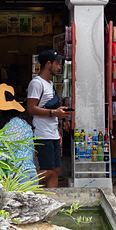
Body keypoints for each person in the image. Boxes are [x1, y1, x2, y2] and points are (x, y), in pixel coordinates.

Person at [26, 49, 71, 188]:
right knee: (48, 170)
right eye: (57, 64)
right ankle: (19, 187)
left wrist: (57, 129)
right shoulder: (36, 83)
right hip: (41, 134)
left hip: (52, 133)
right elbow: (31, 108)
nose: (59, 67)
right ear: (48, 64)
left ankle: (52, 200)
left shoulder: (49, 84)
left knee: (56, 170)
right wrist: (53, 113)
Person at [0, 83, 38, 184]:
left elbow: (1, 153)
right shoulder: (16, 123)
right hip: (23, 176)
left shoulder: (15, 124)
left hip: (19, 177)